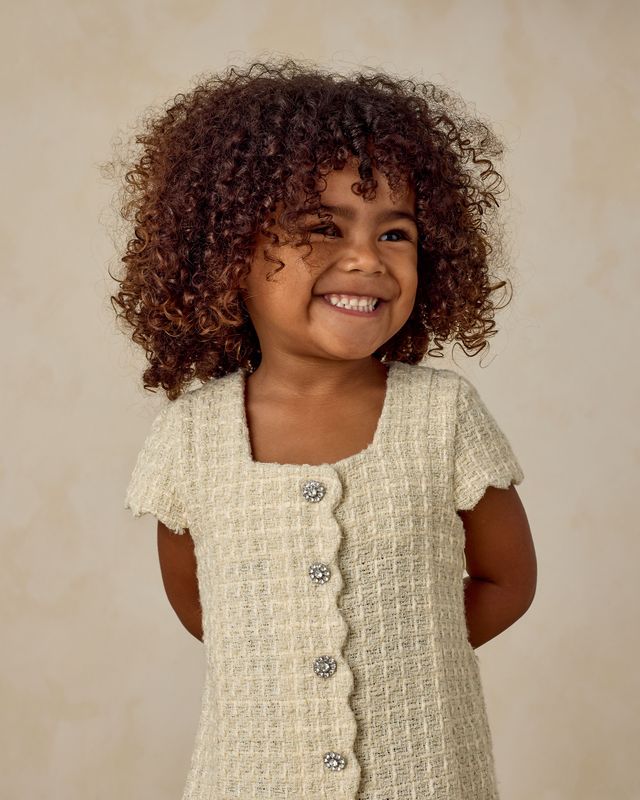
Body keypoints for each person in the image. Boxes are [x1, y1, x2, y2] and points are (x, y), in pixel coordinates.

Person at [113, 56, 536, 800]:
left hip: (429, 775)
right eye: (321, 227)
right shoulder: (191, 438)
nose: (366, 259)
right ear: (229, 252)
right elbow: (202, 604)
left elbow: (509, 579)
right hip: (251, 777)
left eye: (396, 233)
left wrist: (405, 657)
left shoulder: (442, 417)